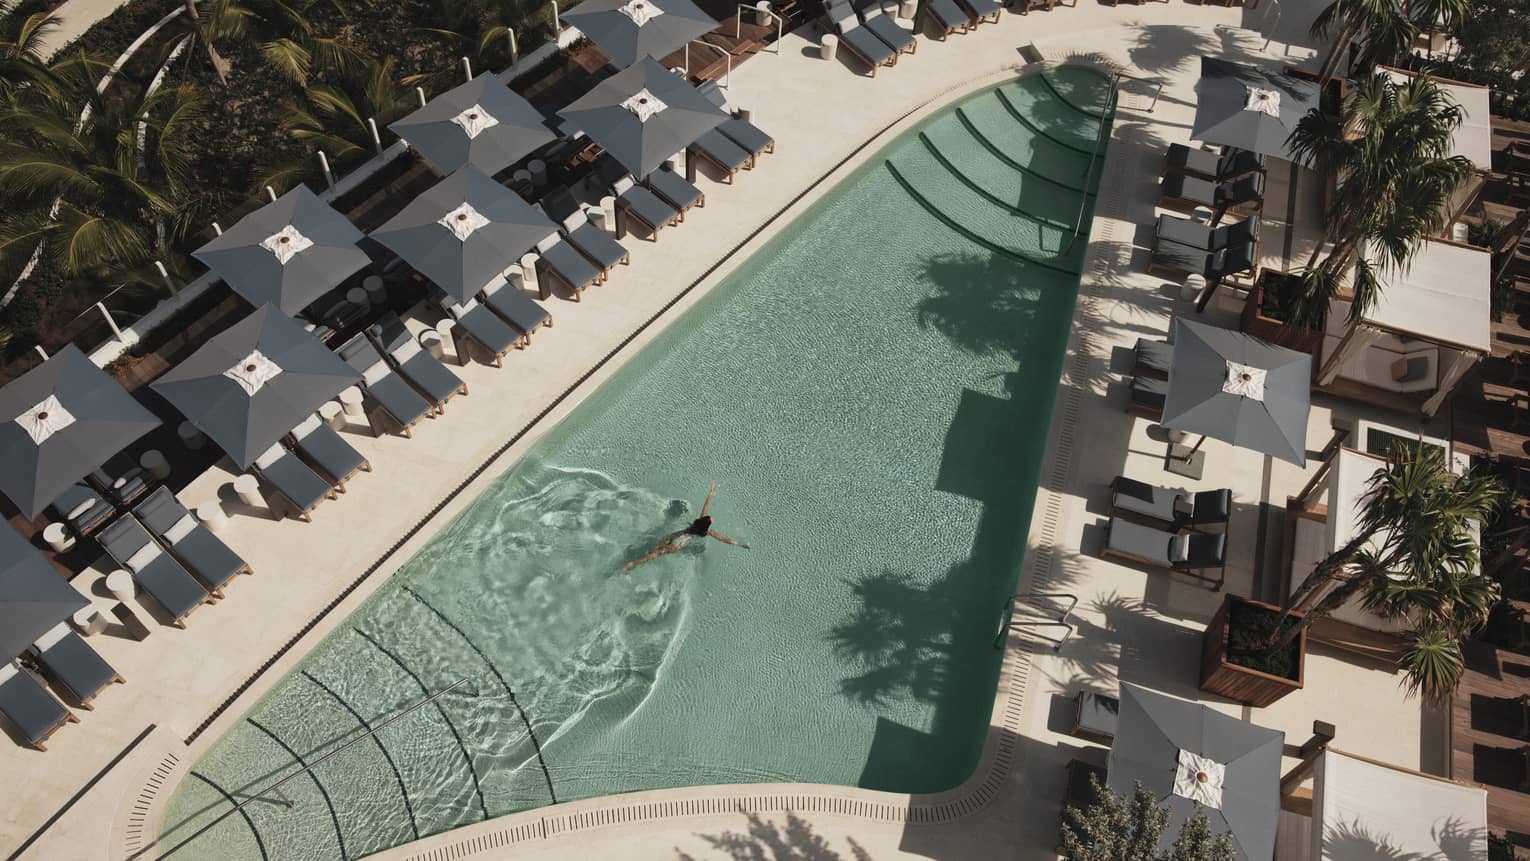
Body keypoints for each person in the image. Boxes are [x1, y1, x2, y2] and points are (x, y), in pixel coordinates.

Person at [625, 484, 749, 573]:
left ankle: (638, 559)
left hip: (675, 535)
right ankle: (635, 563)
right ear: (707, 526)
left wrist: (711, 491)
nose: (712, 518)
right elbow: (723, 539)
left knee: (655, 548)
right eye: (711, 520)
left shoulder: (698, 521)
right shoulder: (707, 532)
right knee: (658, 553)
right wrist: (739, 544)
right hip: (679, 543)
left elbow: (706, 505)